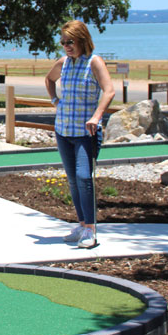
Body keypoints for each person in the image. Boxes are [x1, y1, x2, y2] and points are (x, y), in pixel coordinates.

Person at [44, 20, 115, 249]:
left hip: (85, 133)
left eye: (70, 42)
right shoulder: (64, 63)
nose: (66, 46)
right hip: (63, 130)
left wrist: (97, 116)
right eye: (63, 42)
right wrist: (55, 100)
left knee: (85, 178)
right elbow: (49, 79)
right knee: (73, 181)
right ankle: (82, 224)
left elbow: (109, 90)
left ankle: (91, 230)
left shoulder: (94, 62)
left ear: (82, 40)